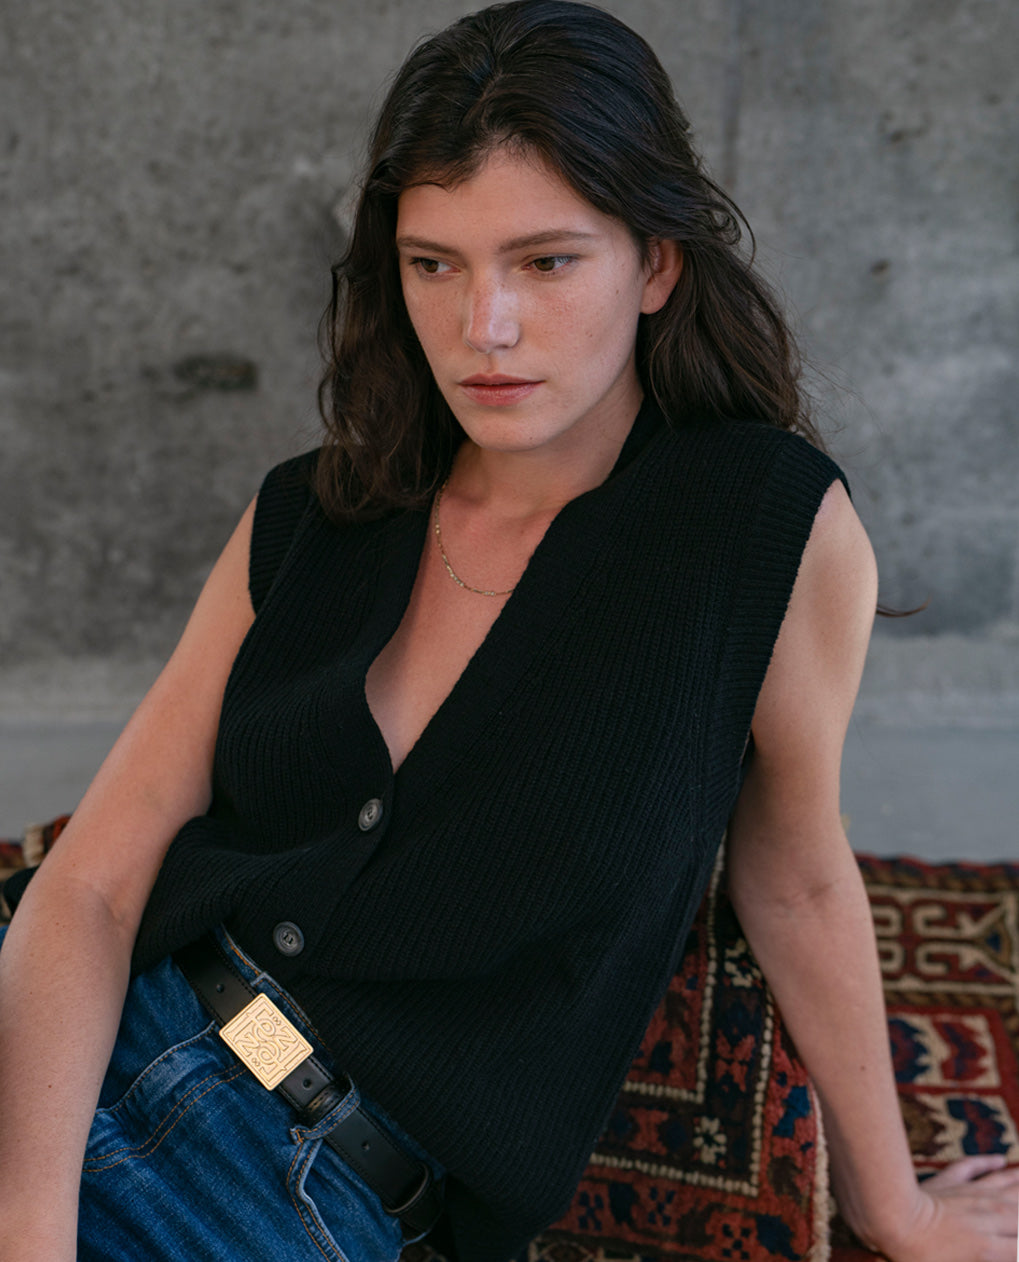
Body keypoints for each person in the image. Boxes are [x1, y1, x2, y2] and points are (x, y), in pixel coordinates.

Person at [0, 2, 1016, 1259]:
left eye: (544, 263)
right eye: (434, 264)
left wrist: (894, 1205)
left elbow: (795, 873)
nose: (482, 326)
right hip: (71, 1062)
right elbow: (91, 885)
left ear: (655, 265)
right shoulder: (317, 508)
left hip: (297, 1183)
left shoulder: (759, 527)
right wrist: (28, 1221)